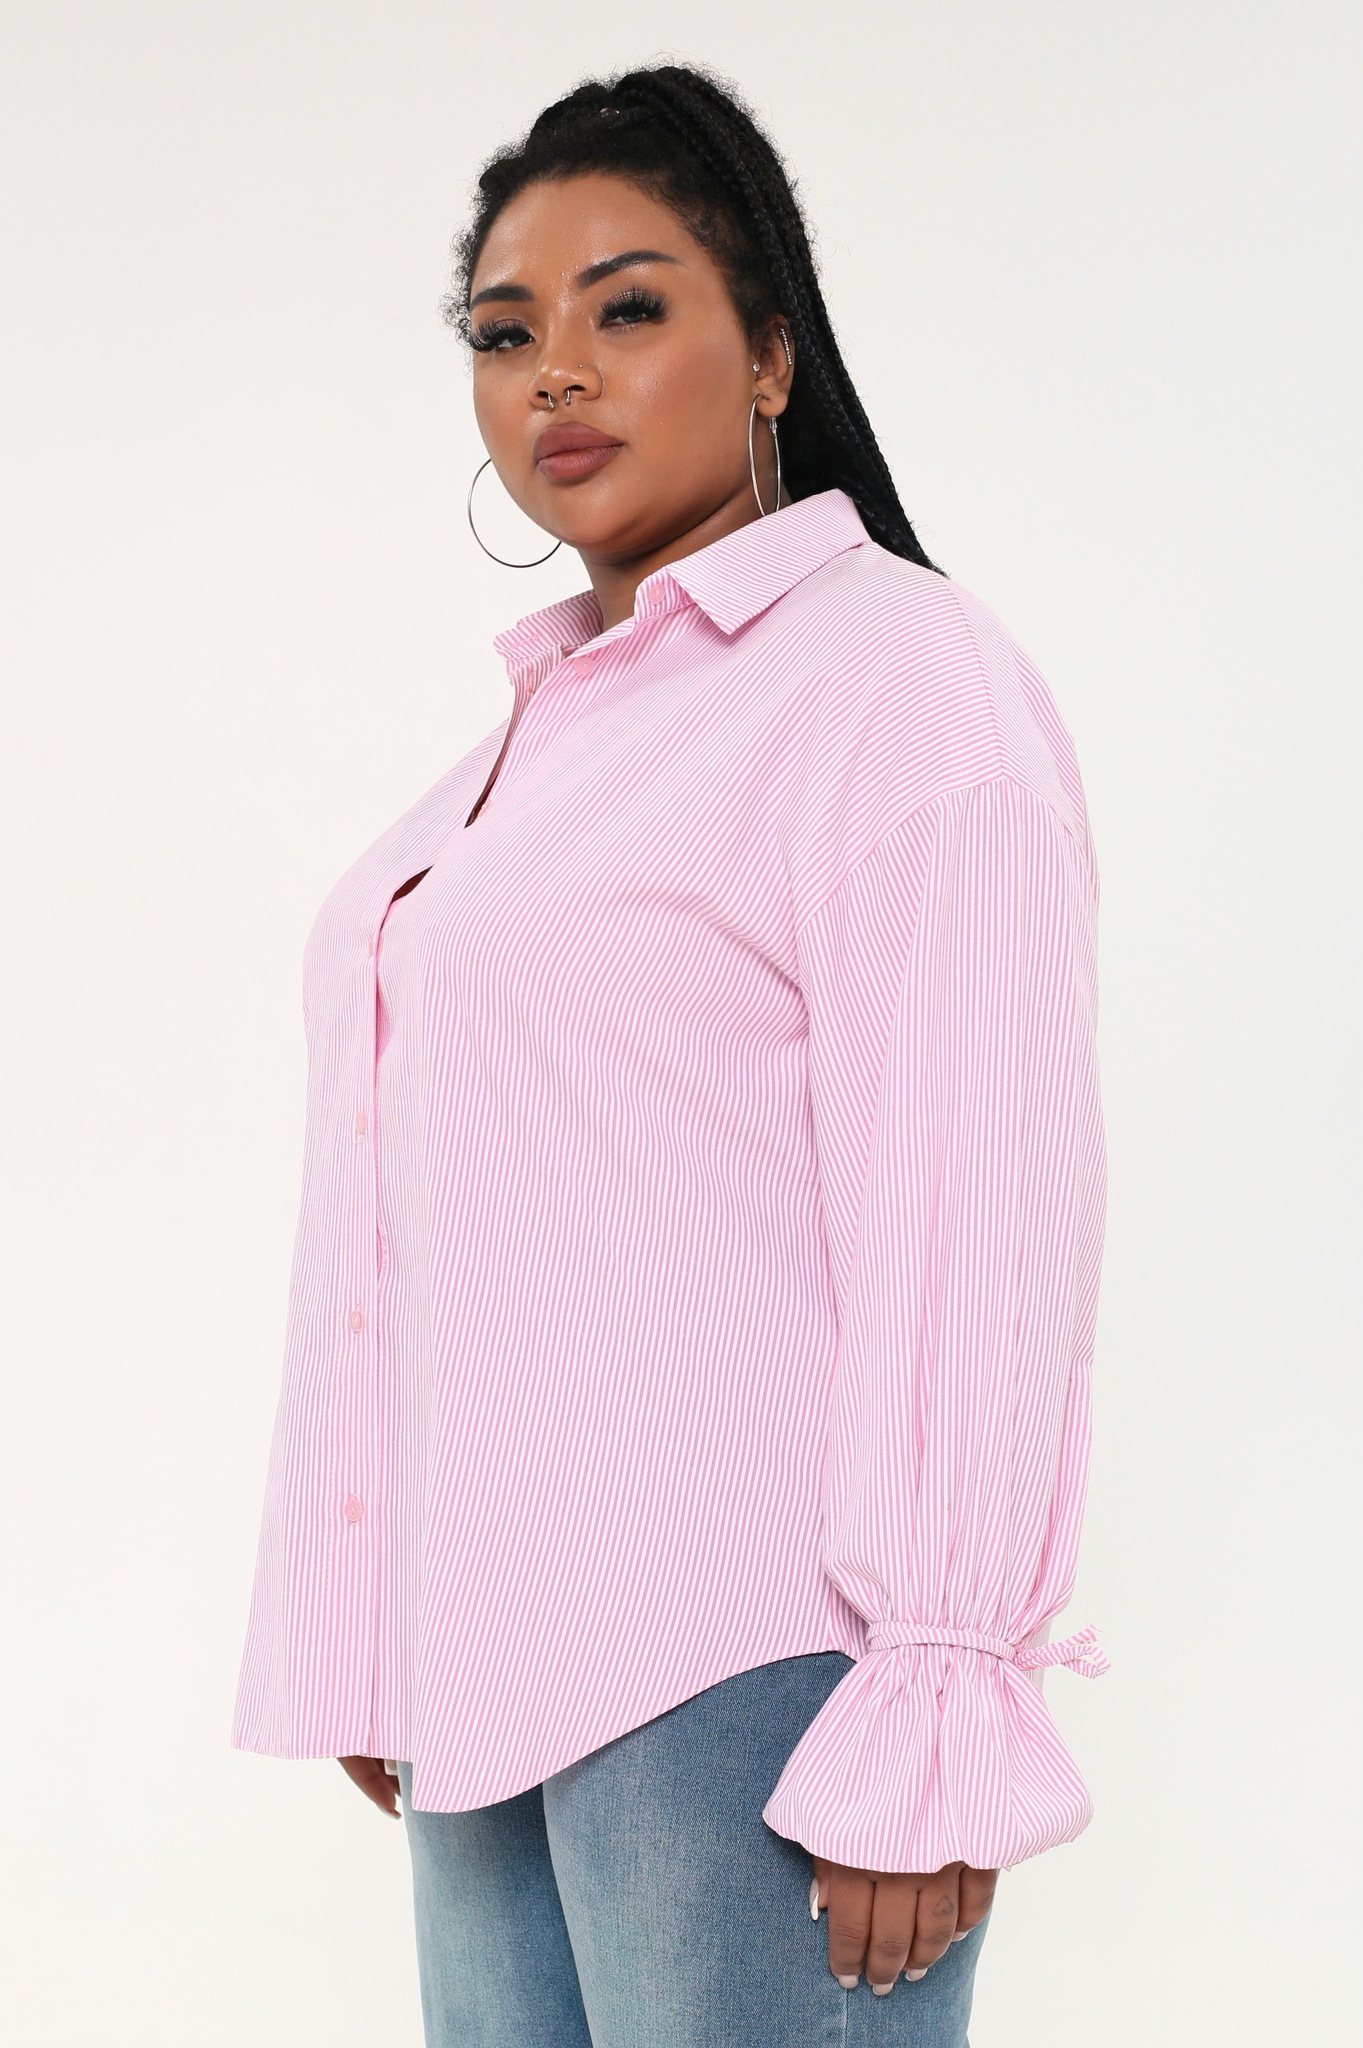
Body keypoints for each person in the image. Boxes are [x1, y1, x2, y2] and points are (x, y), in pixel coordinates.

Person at [232, 61, 1108, 2048]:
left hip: (750, 1670)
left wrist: (936, 1687)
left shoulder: (895, 677)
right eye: (504, 332)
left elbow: (978, 1207)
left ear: (772, 352)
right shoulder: (536, 749)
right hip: (487, 1669)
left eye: (626, 307)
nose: (556, 370)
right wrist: (375, 1608)